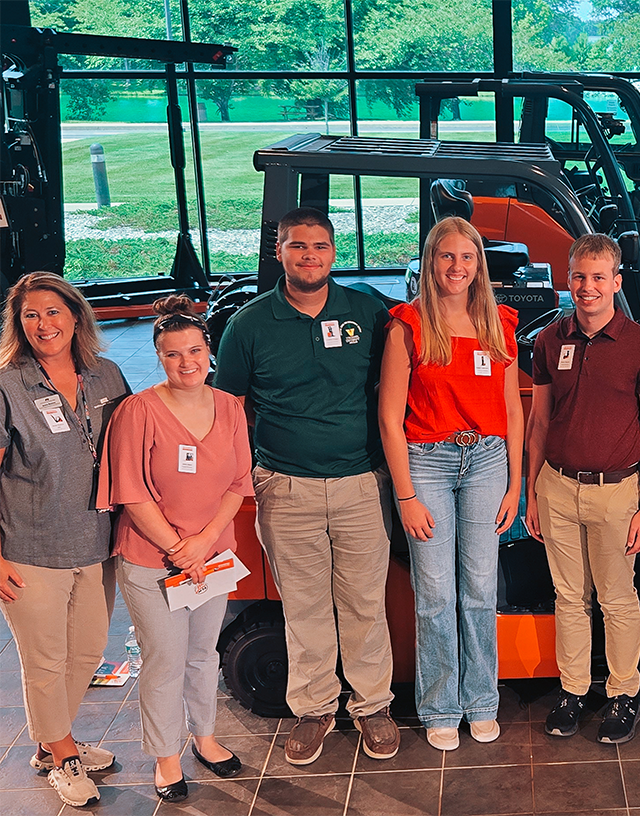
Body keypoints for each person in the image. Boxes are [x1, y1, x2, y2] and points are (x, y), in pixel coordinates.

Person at [214, 207, 400, 766]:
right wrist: (250, 475)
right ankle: (315, 708)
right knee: (305, 606)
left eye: (319, 246)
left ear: (333, 252)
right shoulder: (248, 326)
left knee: (366, 602)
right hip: (286, 487)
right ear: (280, 251)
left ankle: (372, 706)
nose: (309, 256)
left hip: (361, 483)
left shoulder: (368, 311)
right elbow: (229, 410)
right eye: (298, 246)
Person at [378, 217, 523, 751]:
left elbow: (512, 409)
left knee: (480, 589)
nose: (457, 267)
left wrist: (514, 483)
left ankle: (482, 701)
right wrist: (406, 494)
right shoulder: (408, 326)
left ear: (479, 264)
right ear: (430, 261)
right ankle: (441, 705)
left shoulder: (497, 323)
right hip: (427, 464)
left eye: (467, 257)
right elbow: (390, 417)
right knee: (436, 593)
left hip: (486, 460)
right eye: (446, 256)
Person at [98, 295, 251, 802]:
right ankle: (166, 758)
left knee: (204, 654)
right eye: (172, 354)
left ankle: (205, 739)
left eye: (194, 351)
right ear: (159, 357)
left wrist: (204, 543)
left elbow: (238, 483)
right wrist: (179, 549)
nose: (187, 362)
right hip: (152, 560)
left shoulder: (230, 407)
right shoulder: (138, 411)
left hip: (213, 557)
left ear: (210, 351)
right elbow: (132, 492)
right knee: (165, 658)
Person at [525, 233, 640, 745]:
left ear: (616, 281)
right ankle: (573, 691)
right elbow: (538, 421)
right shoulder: (550, 340)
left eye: (599, 277)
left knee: (616, 598)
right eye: (580, 277)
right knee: (569, 596)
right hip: (556, 487)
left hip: (617, 493)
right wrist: (530, 492)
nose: (588, 287)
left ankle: (622, 693)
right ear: (569, 279)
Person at [0, 272, 129, 807]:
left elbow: (134, 448)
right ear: (18, 324)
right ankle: (63, 754)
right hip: (30, 548)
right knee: (46, 659)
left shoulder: (106, 375)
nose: (43, 324)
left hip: (95, 543)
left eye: (53, 312)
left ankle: (53, 742)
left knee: (87, 652)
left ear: (76, 316)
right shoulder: (8, 384)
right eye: (30, 315)